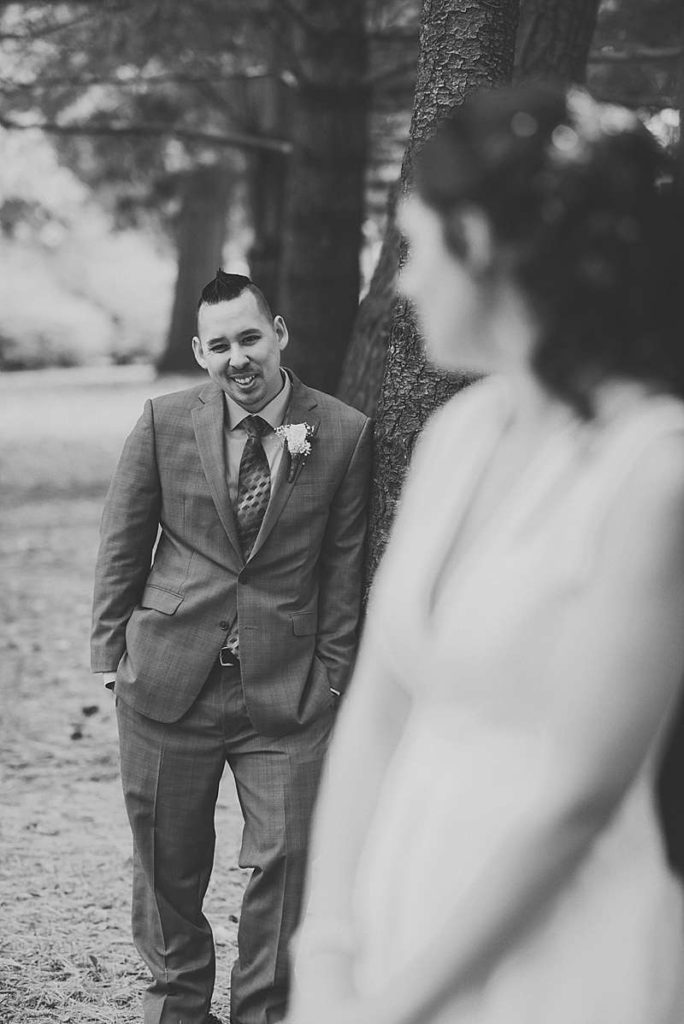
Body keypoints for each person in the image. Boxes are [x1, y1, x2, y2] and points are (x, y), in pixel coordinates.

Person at [287, 83, 684, 1024]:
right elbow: (381, 706)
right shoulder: (459, 433)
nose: (405, 281)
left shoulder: (655, 473)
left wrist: (401, 1009)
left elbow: (580, 799)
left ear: (486, 247)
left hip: (558, 946)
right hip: (396, 907)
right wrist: (328, 953)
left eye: (418, 247)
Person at [91, 270, 372, 1024]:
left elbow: (344, 570)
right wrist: (112, 661)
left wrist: (333, 682)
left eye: (249, 338)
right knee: (166, 868)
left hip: (285, 694)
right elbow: (123, 544)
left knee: (286, 863)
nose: (237, 358)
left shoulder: (343, 431)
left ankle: (263, 1010)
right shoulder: (163, 420)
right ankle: (178, 1007)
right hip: (165, 679)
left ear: (278, 332)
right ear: (199, 351)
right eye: (220, 346)